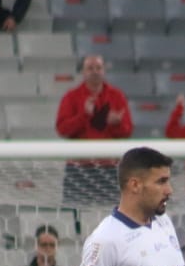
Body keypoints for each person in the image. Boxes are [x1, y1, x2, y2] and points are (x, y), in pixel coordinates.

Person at [56, 54, 134, 204]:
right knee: (75, 214)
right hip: (79, 168)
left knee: (113, 216)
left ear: (104, 70)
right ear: (83, 72)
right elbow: (62, 129)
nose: (95, 71)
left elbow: (127, 131)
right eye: (90, 68)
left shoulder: (117, 96)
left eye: (98, 67)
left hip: (110, 167)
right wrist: (83, 115)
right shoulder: (71, 97)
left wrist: (115, 123)